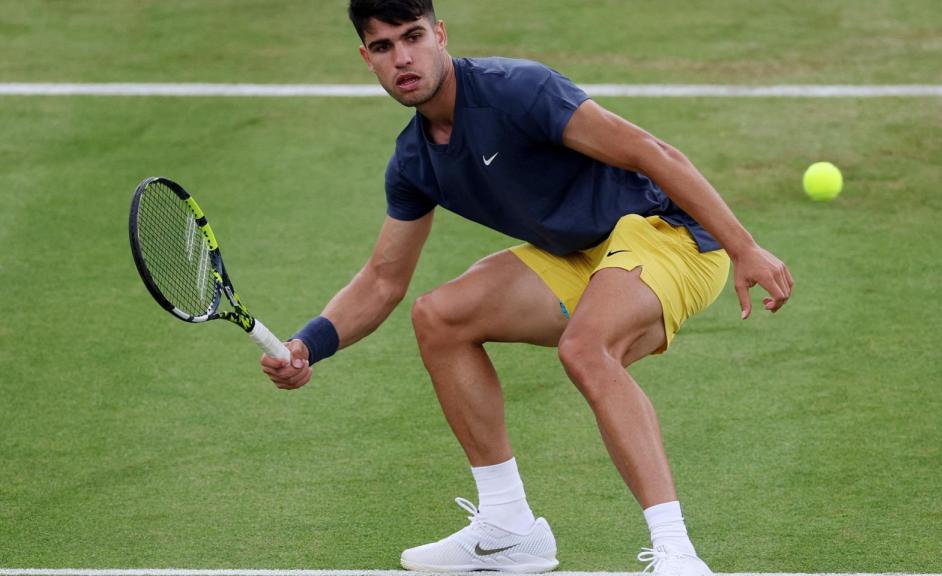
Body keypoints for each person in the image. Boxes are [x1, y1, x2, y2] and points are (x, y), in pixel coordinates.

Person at [262, 1, 793, 574]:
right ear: (366, 59)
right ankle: (507, 525)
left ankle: (677, 553)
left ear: (440, 34)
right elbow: (382, 280)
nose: (404, 58)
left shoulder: (517, 90)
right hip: (581, 252)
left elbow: (653, 152)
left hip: (671, 232)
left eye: (413, 36)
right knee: (439, 317)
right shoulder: (414, 160)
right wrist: (307, 344)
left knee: (587, 348)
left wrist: (742, 245)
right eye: (385, 47)